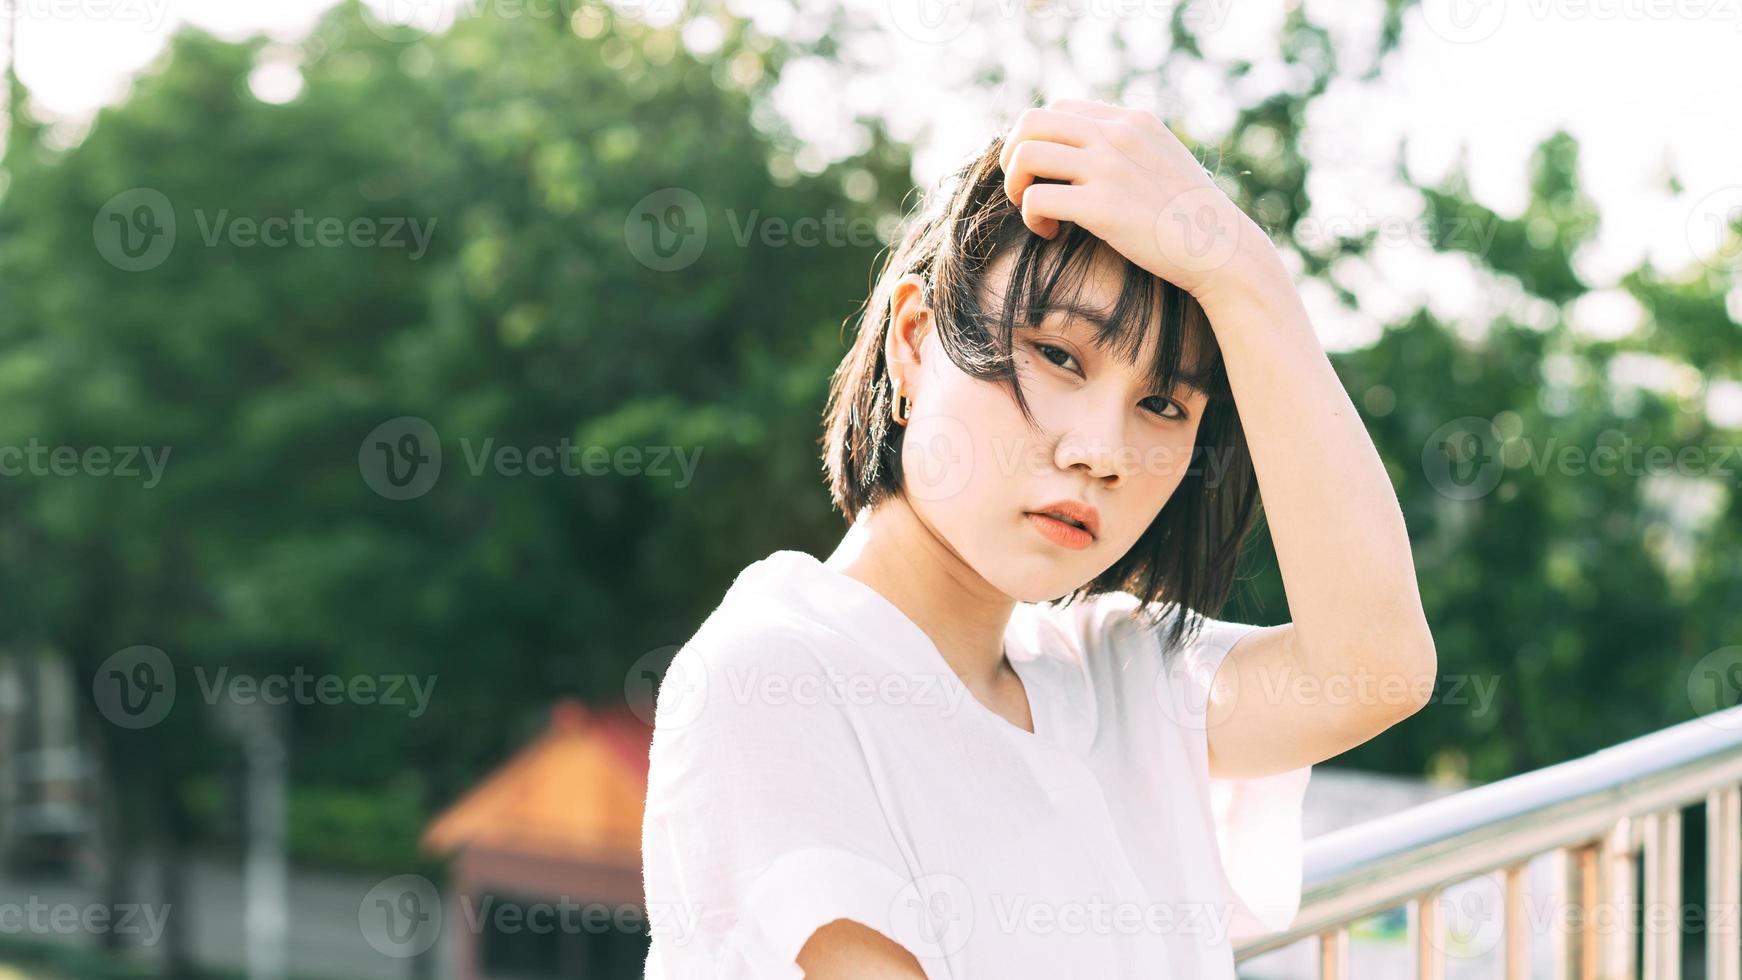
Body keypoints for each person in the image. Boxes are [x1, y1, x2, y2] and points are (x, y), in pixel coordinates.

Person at [640, 98, 1438, 979]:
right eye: (1059, 357)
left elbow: (1379, 665)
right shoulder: (775, 679)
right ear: (914, 342)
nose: (1101, 451)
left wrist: (1247, 272)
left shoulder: (1117, 670)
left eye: (1163, 405)